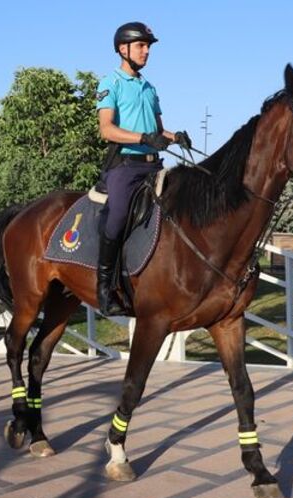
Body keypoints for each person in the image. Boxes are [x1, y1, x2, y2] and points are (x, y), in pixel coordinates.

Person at [95, 21, 193, 315]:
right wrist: (141, 138)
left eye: (148, 46)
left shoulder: (149, 88)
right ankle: (104, 287)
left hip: (155, 166)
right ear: (123, 49)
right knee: (119, 214)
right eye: (141, 45)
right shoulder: (110, 83)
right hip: (125, 166)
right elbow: (106, 130)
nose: (147, 51)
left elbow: (157, 130)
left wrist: (176, 137)